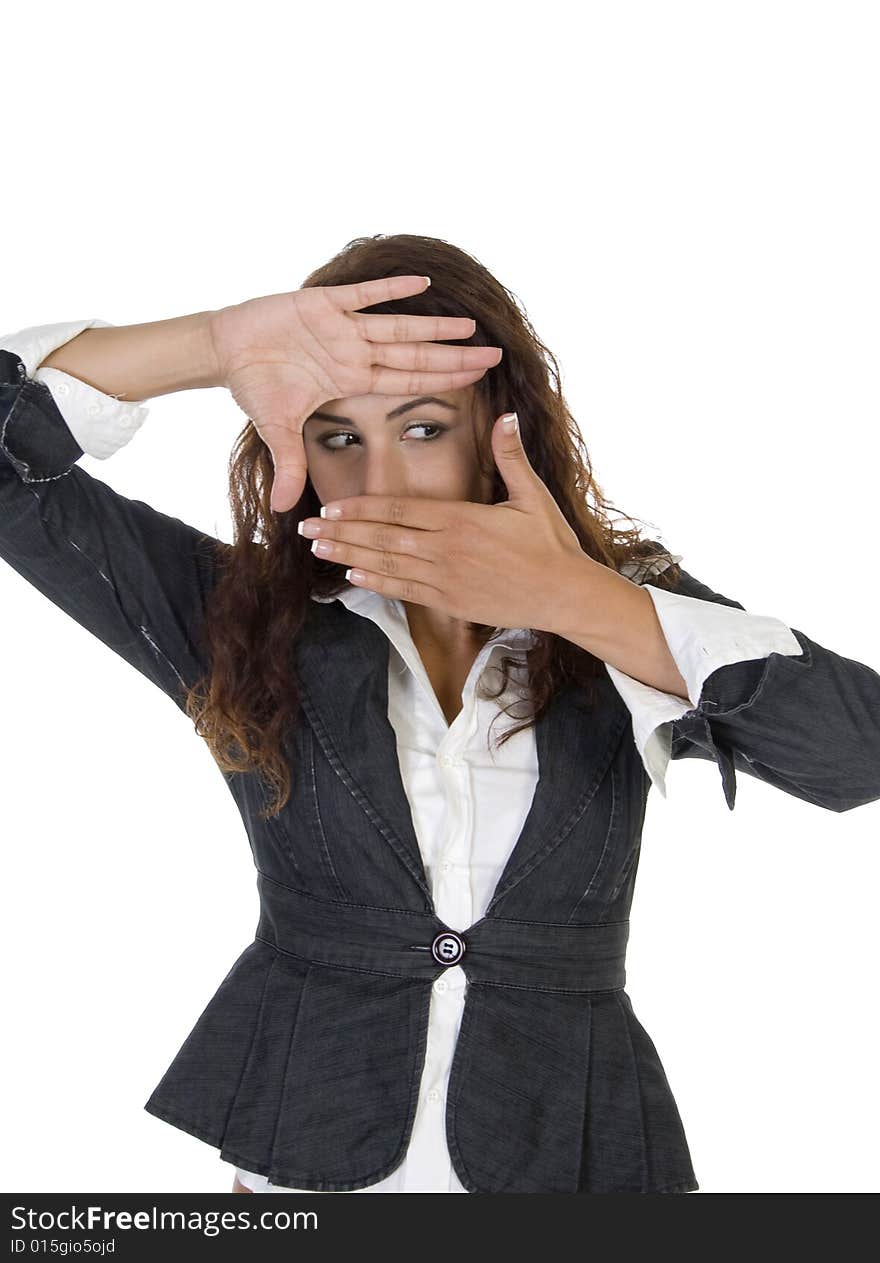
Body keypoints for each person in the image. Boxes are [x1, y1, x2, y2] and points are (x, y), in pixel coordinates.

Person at [2, 234, 878, 1195]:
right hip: (313, 1145)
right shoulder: (239, 615)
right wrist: (210, 345)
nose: (379, 480)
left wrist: (575, 598)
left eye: (423, 429)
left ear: (499, 430)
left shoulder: (618, 606)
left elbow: (854, 755)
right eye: (338, 435)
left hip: (566, 1149)